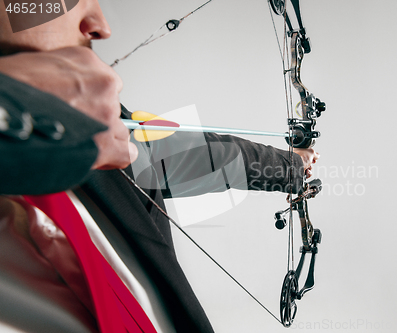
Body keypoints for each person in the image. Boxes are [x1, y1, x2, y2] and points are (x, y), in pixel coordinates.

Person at [0, 0, 319, 332]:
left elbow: (202, 155)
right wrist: (26, 100)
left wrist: (290, 166)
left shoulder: (104, 136)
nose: (100, 26)